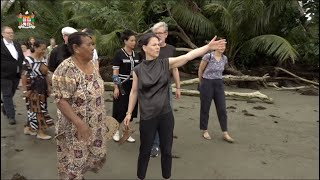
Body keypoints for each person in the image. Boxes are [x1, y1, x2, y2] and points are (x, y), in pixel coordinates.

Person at [123, 33, 226, 180]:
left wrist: (208, 47)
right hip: (147, 117)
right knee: (144, 150)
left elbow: (188, 56)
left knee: (167, 150)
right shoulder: (138, 70)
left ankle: (167, 177)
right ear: (145, 48)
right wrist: (128, 113)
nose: (157, 47)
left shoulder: (166, 63)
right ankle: (141, 177)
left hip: (165, 115)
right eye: (154, 45)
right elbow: (134, 92)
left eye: (158, 44)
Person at [52, 32, 118, 179]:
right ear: (76, 48)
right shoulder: (66, 69)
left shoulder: (93, 65)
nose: (93, 48)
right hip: (75, 129)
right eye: (89, 44)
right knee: (74, 163)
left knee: (91, 157)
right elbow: (61, 100)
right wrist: (79, 123)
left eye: (93, 44)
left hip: (95, 125)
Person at [149, 21, 181, 157]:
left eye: (160, 33)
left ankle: (164, 144)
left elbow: (175, 68)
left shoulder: (171, 49)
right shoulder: (150, 48)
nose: (157, 36)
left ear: (166, 34)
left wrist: (178, 87)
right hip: (151, 89)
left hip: (166, 88)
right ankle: (154, 145)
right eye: (155, 33)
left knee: (167, 117)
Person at [198, 41, 234, 143]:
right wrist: (201, 83)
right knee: (205, 108)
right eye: (220, 45)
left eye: (224, 45)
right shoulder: (208, 57)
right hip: (207, 83)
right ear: (215, 46)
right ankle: (205, 130)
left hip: (219, 84)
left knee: (222, 109)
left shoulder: (225, 58)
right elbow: (200, 70)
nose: (222, 47)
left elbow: (221, 71)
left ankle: (225, 132)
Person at [21, 40, 54, 140]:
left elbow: (46, 74)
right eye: (42, 49)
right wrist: (25, 90)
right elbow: (23, 76)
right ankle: (40, 132)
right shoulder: (28, 60)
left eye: (44, 49)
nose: (44, 51)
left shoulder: (43, 59)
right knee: (38, 109)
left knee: (35, 108)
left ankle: (29, 128)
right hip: (33, 87)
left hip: (42, 86)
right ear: (35, 48)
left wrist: (49, 87)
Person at [112, 30, 140, 143]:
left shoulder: (137, 55)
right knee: (120, 107)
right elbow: (115, 72)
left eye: (135, 40)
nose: (134, 42)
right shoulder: (119, 54)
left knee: (131, 109)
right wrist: (116, 87)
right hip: (122, 84)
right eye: (131, 40)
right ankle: (115, 131)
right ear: (125, 41)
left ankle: (126, 132)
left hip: (134, 85)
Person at [1, 26, 25, 125]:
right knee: (7, 94)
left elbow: (21, 58)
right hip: (3, 75)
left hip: (16, 74)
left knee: (11, 93)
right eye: (8, 33)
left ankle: (5, 107)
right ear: (2, 34)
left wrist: (23, 69)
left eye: (12, 32)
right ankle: (11, 116)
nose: (11, 34)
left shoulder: (16, 44)